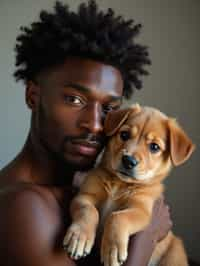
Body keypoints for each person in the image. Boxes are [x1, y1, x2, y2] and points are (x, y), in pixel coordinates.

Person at [0, 1, 172, 265]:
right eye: (74, 99)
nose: (94, 124)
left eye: (109, 109)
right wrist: (147, 234)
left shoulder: (80, 192)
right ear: (33, 96)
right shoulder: (23, 206)